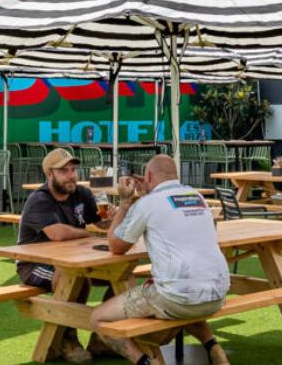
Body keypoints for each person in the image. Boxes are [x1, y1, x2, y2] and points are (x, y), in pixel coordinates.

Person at [91, 154, 231, 365]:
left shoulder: (147, 204)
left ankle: (145, 362)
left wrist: (125, 202)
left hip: (175, 298)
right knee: (184, 294)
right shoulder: (197, 197)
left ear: (148, 175)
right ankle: (212, 346)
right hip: (217, 295)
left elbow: (115, 246)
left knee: (97, 317)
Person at [17, 147, 114, 363]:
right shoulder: (39, 199)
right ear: (49, 174)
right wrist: (86, 233)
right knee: (76, 278)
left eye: (73, 170)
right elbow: (57, 234)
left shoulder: (82, 193)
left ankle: (103, 338)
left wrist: (114, 213)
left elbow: (103, 222)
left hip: (76, 261)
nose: (71, 175)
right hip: (35, 264)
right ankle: (67, 339)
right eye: (64, 171)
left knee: (121, 274)